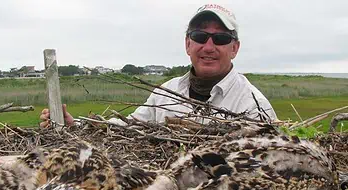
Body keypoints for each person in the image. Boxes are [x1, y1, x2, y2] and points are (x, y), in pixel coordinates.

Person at [40, 3, 277, 128]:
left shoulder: (254, 106)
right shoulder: (165, 93)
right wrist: (76, 125)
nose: (209, 46)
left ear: (234, 48)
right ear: (187, 43)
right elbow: (127, 127)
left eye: (221, 38)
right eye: (199, 36)